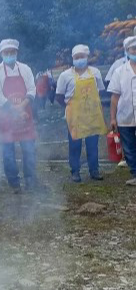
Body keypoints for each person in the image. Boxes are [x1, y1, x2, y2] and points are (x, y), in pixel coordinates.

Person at [0, 39, 39, 193]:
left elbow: (32, 89)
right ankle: (14, 183)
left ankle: (30, 180)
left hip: (25, 115)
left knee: (29, 149)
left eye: (12, 52)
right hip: (6, 117)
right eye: (6, 52)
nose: (9, 55)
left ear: (16, 53)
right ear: (1, 53)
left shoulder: (25, 69)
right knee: (8, 152)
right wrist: (14, 109)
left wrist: (21, 106)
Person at [55, 45, 107, 183]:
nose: (79, 59)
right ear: (73, 58)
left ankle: (94, 170)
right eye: (76, 57)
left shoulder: (95, 73)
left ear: (87, 57)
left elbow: (100, 92)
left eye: (82, 57)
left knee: (92, 144)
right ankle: (75, 171)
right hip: (75, 117)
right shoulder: (65, 75)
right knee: (75, 144)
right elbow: (59, 96)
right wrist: (70, 107)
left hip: (92, 115)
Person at [108, 36, 136, 185]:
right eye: (134, 49)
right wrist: (113, 118)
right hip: (125, 116)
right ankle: (135, 173)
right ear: (127, 51)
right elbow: (114, 97)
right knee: (129, 147)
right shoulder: (119, 71)